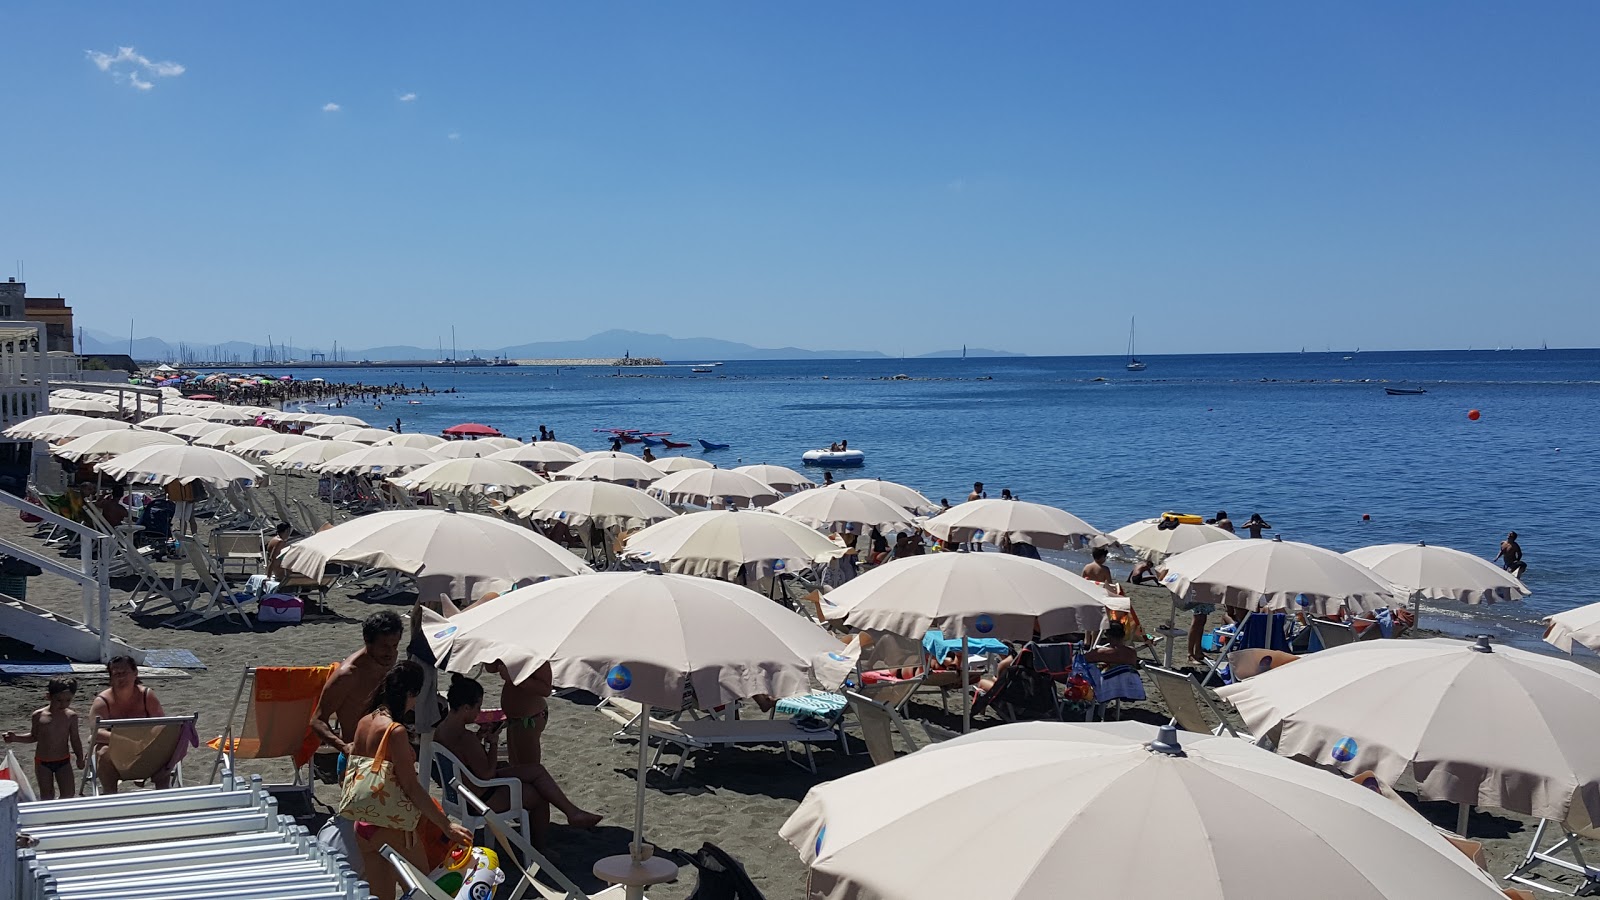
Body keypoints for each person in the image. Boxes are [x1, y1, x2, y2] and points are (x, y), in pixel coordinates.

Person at [342, 662, 473, 899]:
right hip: (392, 826)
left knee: (381, 896)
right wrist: (447, 825)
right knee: (424, 892)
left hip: (363, 825)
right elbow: (411, 787)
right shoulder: (395, 731)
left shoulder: (365, 722)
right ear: (411, 693)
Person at [435, 676, 602, 850]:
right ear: (465, 708)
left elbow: (464, 759)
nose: (479, 712)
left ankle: (572, 812)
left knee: (535, 770)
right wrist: (493, 743)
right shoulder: (465, 738)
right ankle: (540, 849)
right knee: (539, 797)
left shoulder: (441, 730)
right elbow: (487, 773)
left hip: (461, 791)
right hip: (479, 797)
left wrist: (479, 739)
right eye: (477, 707)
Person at [313, 612, 404, 764]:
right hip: (357, 758)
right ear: (368, 642)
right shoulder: (348, 675)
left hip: (387, 755)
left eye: (395, 646)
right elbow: (317, 720)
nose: (390, 652)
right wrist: (344, 747)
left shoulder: (387, 660)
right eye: (384, 646)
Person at [89, 656, 168, 793]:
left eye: (124, 673)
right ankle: (110, 795)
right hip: (116, 752)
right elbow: (96, 732)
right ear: (111, 678)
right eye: (116, 674)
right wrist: (127, 741)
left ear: (135, 673)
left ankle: (164, 794)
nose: (120, 678)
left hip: (145, 750)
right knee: (103, 751)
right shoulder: (102, 702)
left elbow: (161, 725)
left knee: (165, 747)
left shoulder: (147, 696)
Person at [4, 677, 84, 800]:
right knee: (47, 795)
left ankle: (60, 814)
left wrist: (79, 757)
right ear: (49, 696)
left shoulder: (71, 716)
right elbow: (33, 737)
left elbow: (75, 739)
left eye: (68, 700)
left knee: (68, 793)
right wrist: (15, 738)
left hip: (63, 761)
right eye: (59, 700)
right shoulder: (39, 716)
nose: (63, 704)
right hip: (43, 762)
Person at [484, 661, 553, 768]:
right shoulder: (512, 651)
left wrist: (514, 678)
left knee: (528, 767)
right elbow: (491, 668)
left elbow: (545, 689)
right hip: (514, 718)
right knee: (515, 763)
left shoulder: (538, 657)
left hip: (530, 718)